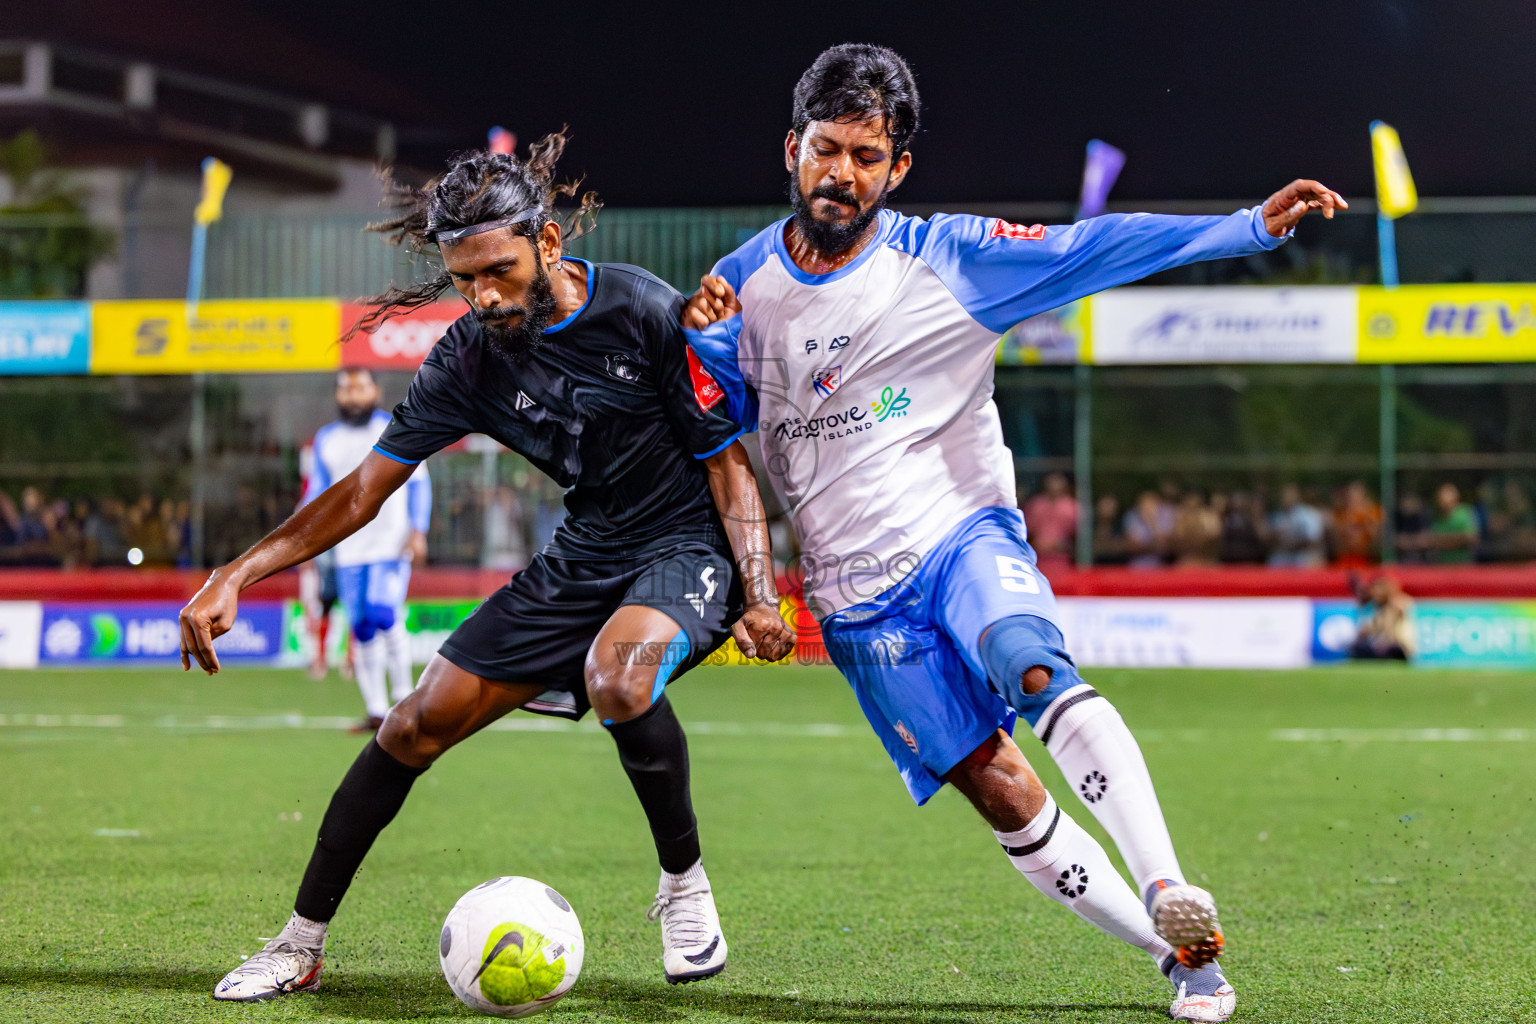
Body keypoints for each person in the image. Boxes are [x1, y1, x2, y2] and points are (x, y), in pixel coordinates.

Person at [683, 44, 1344, 1022]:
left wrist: (1243, 227)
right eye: (828, 149)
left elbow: (1091, 247)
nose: (843, 173)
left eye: (868, 155)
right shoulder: (732, 293)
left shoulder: (949, 257)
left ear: (898, 167)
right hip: (854, 600)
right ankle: (1182, 958)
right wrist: (755, 583)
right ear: (792, 148)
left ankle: (1166, 881)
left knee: (1030, 662)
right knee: (1002, 790)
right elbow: (722, 444)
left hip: (961, 537)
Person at [180, 133, 794, 1001]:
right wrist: (239, 572)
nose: (483, 295)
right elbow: (362, 491)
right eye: (464, 278)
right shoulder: (467, 358)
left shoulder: (643, 310)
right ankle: (298, 944)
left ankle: (684, 886)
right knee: (409, 727)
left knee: (619, 678)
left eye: (498, 270)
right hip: (584, 555)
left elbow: (729, 462)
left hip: (684, 546)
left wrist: (761, 596)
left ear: (548, 242)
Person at [303, 367, 433, 729]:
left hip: (390, 542)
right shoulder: (326, 439)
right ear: (337, 396)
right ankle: (377, 710)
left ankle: (406, 698)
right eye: (346, 389)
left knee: (381, 611)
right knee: (360, 624)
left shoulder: (396, 425)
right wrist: (302, 535)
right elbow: (318, 493)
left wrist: (418, 530)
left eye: (361, 387)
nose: (354, 395)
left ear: (376, 390)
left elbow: (420, 483)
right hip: (348, 548)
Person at [1021, 472, 1077, 570]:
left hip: (1063, 558)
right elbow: (1028, 530)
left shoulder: (1071, 506)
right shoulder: (1036, 504)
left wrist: (1062, 545)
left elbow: (1077, 535)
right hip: (1037, 557)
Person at [1267, 484, 1325, 568]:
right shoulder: (1277, 516)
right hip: (1283, 555)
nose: (1285, 498)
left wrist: (1292, 547)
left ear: (1296, 496)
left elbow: (1314, 540)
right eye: (1283, 495)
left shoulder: (1308, 514)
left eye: (1288, 495)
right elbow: (1270, 541)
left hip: (1303, 555)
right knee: (1273, 561)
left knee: (1305, 559)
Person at [1428, 482, 1478, 564]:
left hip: (1464, 567)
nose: (1441, 498)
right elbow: (1431, 541)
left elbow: (1472, 538)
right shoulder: (1437, 517)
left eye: (1445, 494)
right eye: (1440, 495)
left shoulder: (1465, 512)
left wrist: (1443, 541)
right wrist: (1457, 539)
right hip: (1442, 567)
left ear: (1455, 496)